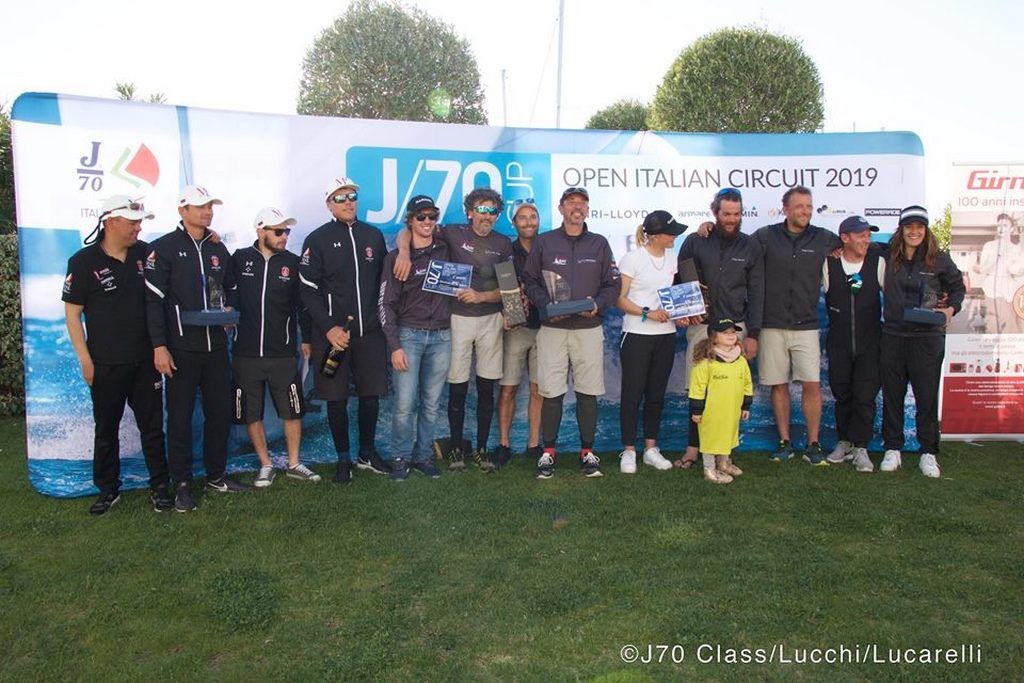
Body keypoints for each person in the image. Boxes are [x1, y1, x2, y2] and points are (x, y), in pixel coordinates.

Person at [63, 195, 170, 515]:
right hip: (105, 363)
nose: (138, 228)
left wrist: (210, 237)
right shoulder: (82, 262)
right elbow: (73, 315)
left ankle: (159, 486)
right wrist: (85, 360)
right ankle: (108, 489)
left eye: (140, 223)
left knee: (153, 428)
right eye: (132, 223)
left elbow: (181, 252)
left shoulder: (145, 253)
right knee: (106, 429)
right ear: (111, 222)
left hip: (146, 361)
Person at [394, 187, 513, 472]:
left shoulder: (503, 243)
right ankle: (457, 448)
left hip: (490, 320)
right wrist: (404, 254)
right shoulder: (452, 233)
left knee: (486, 387)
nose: (487, 216)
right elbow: (407, 230)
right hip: (457, 319)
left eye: (492, 211)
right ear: (470, 212)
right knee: (457, 386)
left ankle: (482, 449)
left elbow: (509, 289)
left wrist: (487, 300)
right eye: (481, 209)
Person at [145, 185, 248, 513]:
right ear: (182, 210)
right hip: (181, 349)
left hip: (216, 347)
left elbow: (232, 288)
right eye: (200, 206)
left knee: (219, 413)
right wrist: (160, 347)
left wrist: (229, 310)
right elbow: (153, 303)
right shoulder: (163, 248)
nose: (207, 211)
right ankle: (182, 484)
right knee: (180, 419)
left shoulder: (218, 248)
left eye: (210, 206)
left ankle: (217, 475)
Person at [522, 186, 621, 479]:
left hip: (588, 329)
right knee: (551, 391)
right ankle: (548, 453)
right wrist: (547, 305)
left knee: (588, 392)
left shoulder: (599, 243)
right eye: (571, 202)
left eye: (582, 203)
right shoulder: (545, 242)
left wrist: (598, 304)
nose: (577, 207)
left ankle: (587, 452)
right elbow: (530, 280)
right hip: (553, 329)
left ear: (587, 209)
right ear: (561, 208)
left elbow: (613, 284)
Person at [299, 176, 389, 484]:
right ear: (329, 205)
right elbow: (308, 290)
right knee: (335, 397)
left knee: (370, 395)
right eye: (340, 198)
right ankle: (342, 459)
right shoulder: (317, 239)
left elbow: (385, 283)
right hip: (333, 336)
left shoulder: (373, 236)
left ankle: (367, 453)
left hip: (370, 333)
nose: (348, 202)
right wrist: (328, 328)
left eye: (351, 196)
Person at [228, 207, 319, 488]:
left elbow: (303, 306)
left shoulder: (292, 263)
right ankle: (265, 464)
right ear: (260, 231)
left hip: (282, 352)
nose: (284, 236)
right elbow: (223, 289)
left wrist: (306, 340)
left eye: (287, 231)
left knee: (292, 409)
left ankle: (294, 463)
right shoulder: (239, 258)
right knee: (251, 413)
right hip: (245, 353)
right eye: (278, 231)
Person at [675, 187, 764, 469]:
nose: (732, 219)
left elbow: (757, 292)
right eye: (726, 214)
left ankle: (724, 453)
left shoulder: (750, 246)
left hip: (734, 330)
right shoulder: (695, 240)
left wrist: (754, 334)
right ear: (715, 212)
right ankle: (693, 450)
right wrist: (685, 311)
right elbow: (681, 279)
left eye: (736, 214)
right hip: (701, 327)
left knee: (730, 393)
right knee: (698, 389)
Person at [753, 186, 841, 465]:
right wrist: (706, 228)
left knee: (811, 385)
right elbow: (736, 247)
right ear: (785, 209)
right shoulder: (765, 236)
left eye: (809, 206)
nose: (805, 211)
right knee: (778, 385)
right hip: (771, 325)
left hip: (807, 325)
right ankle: (785, 442)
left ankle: (813, 444)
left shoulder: (824, 238)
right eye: (799, 206)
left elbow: (855, 244)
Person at [879, 205, 965, 477]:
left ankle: (928, 452)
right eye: (909, 226)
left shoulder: (939, 259)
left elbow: (958, 288)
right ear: (901, 229)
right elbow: (855, 245)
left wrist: (950, 309)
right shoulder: (886, 254)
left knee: (926, 397)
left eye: (919, 227)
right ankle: (893, 448)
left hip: (927, 339)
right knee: (892, 396)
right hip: (893, 336)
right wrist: (836, 249)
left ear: (926, 230)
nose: (914, 232)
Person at [379, 196, 451, 481]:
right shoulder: (395, 258)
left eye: (432, 216)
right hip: (409, 336)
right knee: (405, 404)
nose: (427, 221)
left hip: (442, 336)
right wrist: (394, 345)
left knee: (431, 404)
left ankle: (423, 456)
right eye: (420, 217)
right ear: (409, 221)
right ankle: (400, 457)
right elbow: (385, 304)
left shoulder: (445, 247)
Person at [615, 210, 687, 474]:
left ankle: (651, 449)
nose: (674, 237)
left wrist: (680, 315)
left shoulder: (673, 259)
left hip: (665, 336)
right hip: (636, 335)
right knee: (632, 394)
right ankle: (629, 450)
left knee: (656, 394)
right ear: (656, 235)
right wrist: (647, 313)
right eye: (671, 233)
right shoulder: (632, 259)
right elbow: (619, 298)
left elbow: (676, 297)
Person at [823, 216, 885, 473]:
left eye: (869, 235)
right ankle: (844, 441)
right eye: (861, 235)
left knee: (865, 396)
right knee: (842, 394)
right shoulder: (828, 263)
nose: (866, 240)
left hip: (870, 342)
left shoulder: (878, 262)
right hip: (839, 342)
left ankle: (861, 447)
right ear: (845, 238)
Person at [496, 198, 543, 465]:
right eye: (522, 218)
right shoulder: (507, 250)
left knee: (538, 389)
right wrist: (513, 315)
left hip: (545, 327)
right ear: (514, 223)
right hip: (516, 328)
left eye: (533, 217)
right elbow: (505, 283)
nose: (528, 222)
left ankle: (533, 444)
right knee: (508, 388)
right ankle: (503, 443)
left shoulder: (548, 247)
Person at [688, 318, 753, 484]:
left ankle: (723, 463)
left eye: (733, 332)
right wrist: (696, 410)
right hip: (711, 412)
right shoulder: (706, 362)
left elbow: (747, 383)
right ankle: (709, 469)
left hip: (732, 410)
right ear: (713, 336)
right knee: (711, 439)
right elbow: (697, 388)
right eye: (725, 332)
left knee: (728, 435)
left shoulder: (741, 360)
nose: (731, 335)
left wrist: (746, 405)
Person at [974, 213, 1024, 334]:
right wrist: (997, 256)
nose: (1001, 228)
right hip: (992, 288)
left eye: (1005, 225)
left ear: (1011, 229)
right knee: (994, 324)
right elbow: (982, 270)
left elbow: (1017, 272)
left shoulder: (1016, 248)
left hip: (1010, 290)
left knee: (1013, 325)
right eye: (999, 226)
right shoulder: (989, 246)